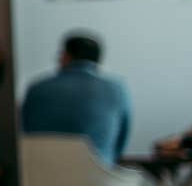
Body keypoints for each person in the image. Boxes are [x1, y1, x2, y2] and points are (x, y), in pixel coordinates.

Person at [19, 33, 131, 164]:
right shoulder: (117, 89)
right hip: (98, 173)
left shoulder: (37, 88)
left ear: (66, 56)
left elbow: (25, 131)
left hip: (41, 169)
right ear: (98, 60)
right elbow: (121, 140)